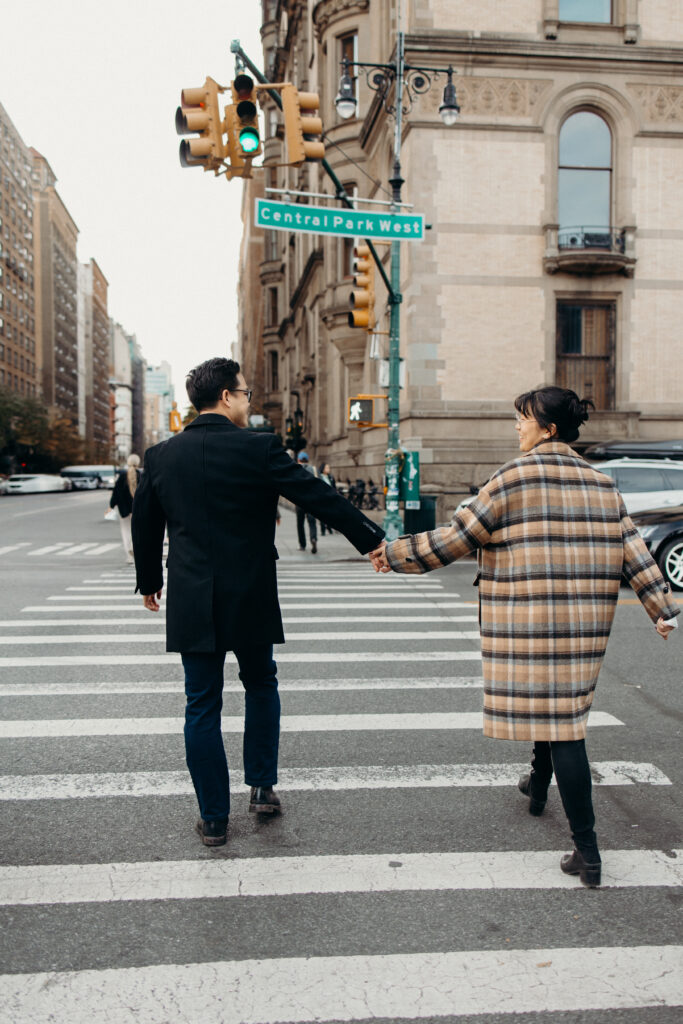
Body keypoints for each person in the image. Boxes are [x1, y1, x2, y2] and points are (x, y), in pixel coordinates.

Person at [370, 386, 678, 887]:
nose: (517, 426)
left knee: (562, 727)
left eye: (524, 418)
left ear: (549, 428)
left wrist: (396, 554)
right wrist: (662, 608)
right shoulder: (603, 485)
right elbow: (634, 550)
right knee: (560, 710)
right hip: (582, 625)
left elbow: (455, 539)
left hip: (525, 621)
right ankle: (538, 785)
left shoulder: (510, 479)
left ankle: (588, 850)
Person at [132, 357, 384, 846]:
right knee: (260, 684)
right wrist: (370, 539)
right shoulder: (259, 447)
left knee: (200, 703)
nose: (248, 401)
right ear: (226, 396)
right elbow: (316, 496)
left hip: (190, 593)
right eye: (245, 393)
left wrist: (148, 582)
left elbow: (146, 525)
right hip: (249, 590)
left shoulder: (161, 456)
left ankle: (213, 818)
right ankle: (262, 788)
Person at [108, 454, 140, 564]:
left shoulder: (122, 476)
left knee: (126, 532)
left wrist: (111, 506)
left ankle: (129, 556)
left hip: (124, 510)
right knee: (137, 531)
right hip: (138, 510)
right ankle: (133, 548)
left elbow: (116, 493)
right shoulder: (141, 475)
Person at [295, 451, 318, 553]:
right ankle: (313, 538)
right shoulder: (313, 469)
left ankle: (302, 545)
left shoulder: (295, 470)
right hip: (312, 500)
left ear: (298, 460)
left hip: (299, 501)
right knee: (312, 522)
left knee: (300, 523)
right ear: (307, 460)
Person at [318, 462, 336, 535]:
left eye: (329, 468)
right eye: (327, 468)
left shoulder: (331, 477)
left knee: (330, 514)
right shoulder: (319, 477)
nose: (328, 469)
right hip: (322, 498)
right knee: (322, 514)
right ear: (323, 468)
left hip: (330, 498)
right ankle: (323, 530)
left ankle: (329, 527)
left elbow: (334, 487)